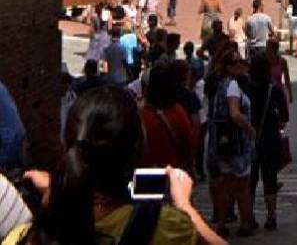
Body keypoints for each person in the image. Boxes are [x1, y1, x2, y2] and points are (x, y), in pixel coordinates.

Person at [5, 86, 224, 245]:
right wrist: (185, 207)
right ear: (138, 149)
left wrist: (60, 191)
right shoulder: (168, 229)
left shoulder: (25, 238)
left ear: (67, 144)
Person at [207, 45, 257, 237]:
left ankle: (221, 224)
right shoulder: (233, 86)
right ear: (227, 66)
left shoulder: (220, 84)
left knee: (225, 184)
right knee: (242, 186)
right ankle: (245, 223)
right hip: (236, 143)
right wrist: (249, 128)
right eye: (235, 63)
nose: (239, 66)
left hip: (222, 142)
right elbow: (235, 113)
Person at [248, 48, 290, 232]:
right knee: (270, 179)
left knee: (249, 180)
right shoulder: (274, 89)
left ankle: (248, 217)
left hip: (248, 138)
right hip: (269, 138)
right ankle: (271, 216)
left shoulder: (245, 87)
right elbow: (284, 115)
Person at [141, 58, 197, 175]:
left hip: (146, 175)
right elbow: (189, 143)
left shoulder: (140, 115)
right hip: (172, 174)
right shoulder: (177, 112)